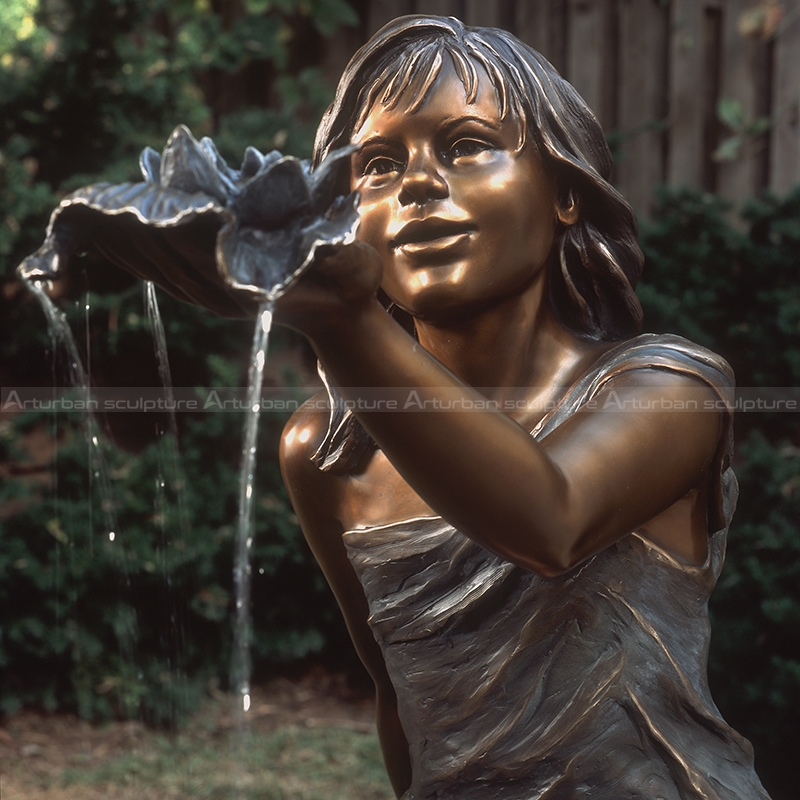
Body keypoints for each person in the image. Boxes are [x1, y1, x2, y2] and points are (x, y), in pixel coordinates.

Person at [273, 15, 770, 800]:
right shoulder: (332, 450)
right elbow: (400, 698)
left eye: (466, 145)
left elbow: (549, 520)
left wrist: (343, 321)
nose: (418, 184)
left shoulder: (668, 391)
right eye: (376, 164)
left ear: (566, 193)